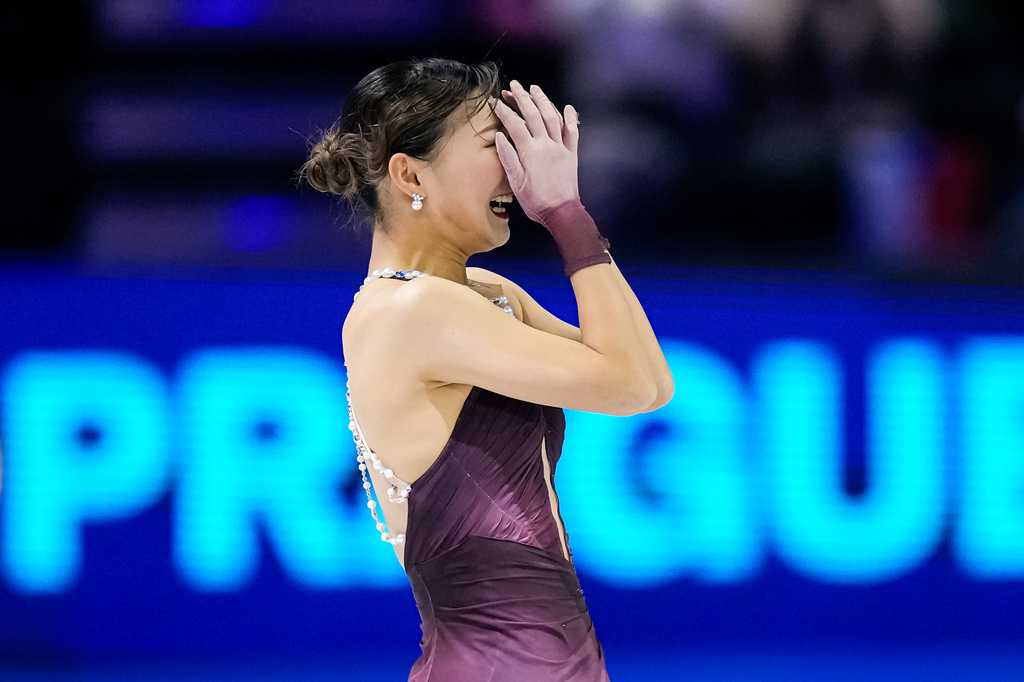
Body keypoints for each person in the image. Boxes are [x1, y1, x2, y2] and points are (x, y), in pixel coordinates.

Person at [300, 58, 673, 682]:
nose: (518, 163)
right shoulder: (413, 310)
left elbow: (650, 382)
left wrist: (568, 215)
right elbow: (630, 384)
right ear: (409, 172)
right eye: (493, 141)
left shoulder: (486, 294)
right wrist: (565, 213)